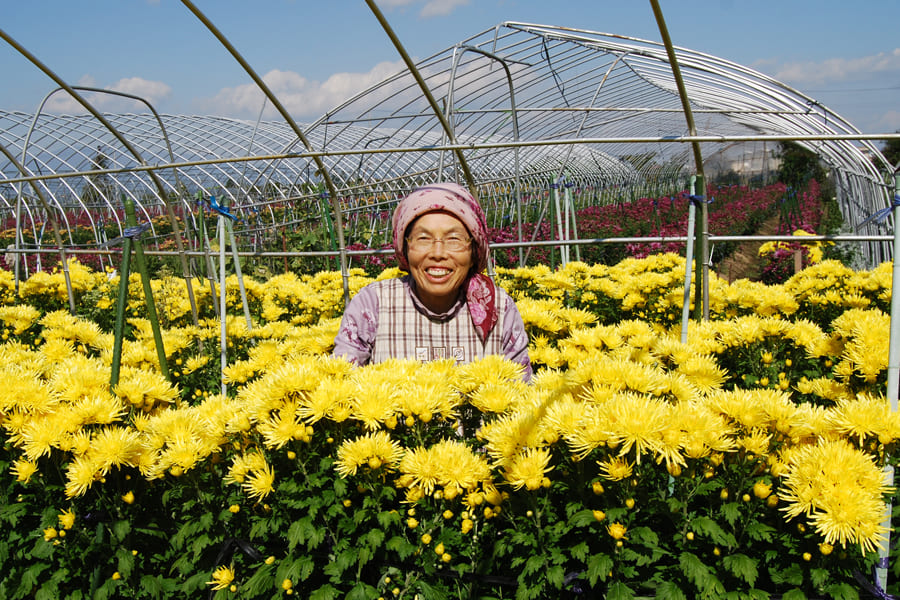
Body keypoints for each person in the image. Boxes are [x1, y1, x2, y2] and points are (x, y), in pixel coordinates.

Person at [333, 182, 532, 381]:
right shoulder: (373, 305)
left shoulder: (500, 308)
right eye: (423, 238)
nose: (438, 253)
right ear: (405, 248)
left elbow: (522, 396)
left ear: (474, 251)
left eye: (454, 239)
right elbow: (341, 386)